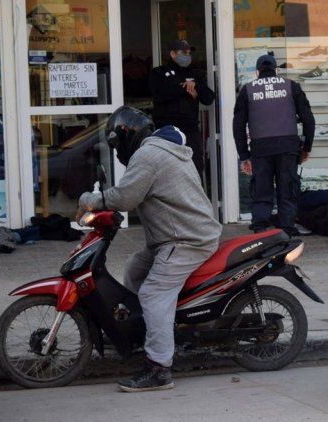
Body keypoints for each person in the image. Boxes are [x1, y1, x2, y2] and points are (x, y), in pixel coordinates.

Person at [78, 106, 221, 392]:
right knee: (134, 267)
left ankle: (159, 368)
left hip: (186, 240)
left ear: (125, 135)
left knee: (153, 292)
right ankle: (144, 331)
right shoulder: (162, 148)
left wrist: (89, 199)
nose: (118, 151)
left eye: (117, 144)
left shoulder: (148, 155)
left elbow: (126, 196)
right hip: (175, 236)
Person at [232, 54, 315, 235]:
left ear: (257, 72)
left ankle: (261, 227)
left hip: (261, 148)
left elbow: (237, 125)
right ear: (276, 70)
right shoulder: (291, 86)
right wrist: (306, 147)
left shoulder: (248, 90)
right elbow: (308, 119)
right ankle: (287, 227)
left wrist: (244, 155)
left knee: (262, 189)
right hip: (288, 146)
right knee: (287, 188)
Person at [149, 40, 215, 181]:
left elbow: (209, 98)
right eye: (183, 52)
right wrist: (185, 88)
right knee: (167, 171)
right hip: (166, 131)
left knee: (195, 168)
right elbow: (159, 94)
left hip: (190, 130)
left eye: (189, 53)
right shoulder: (159, 72)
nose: (187, 55)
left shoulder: (195, 74)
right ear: (172, 53)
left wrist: (196, 87)